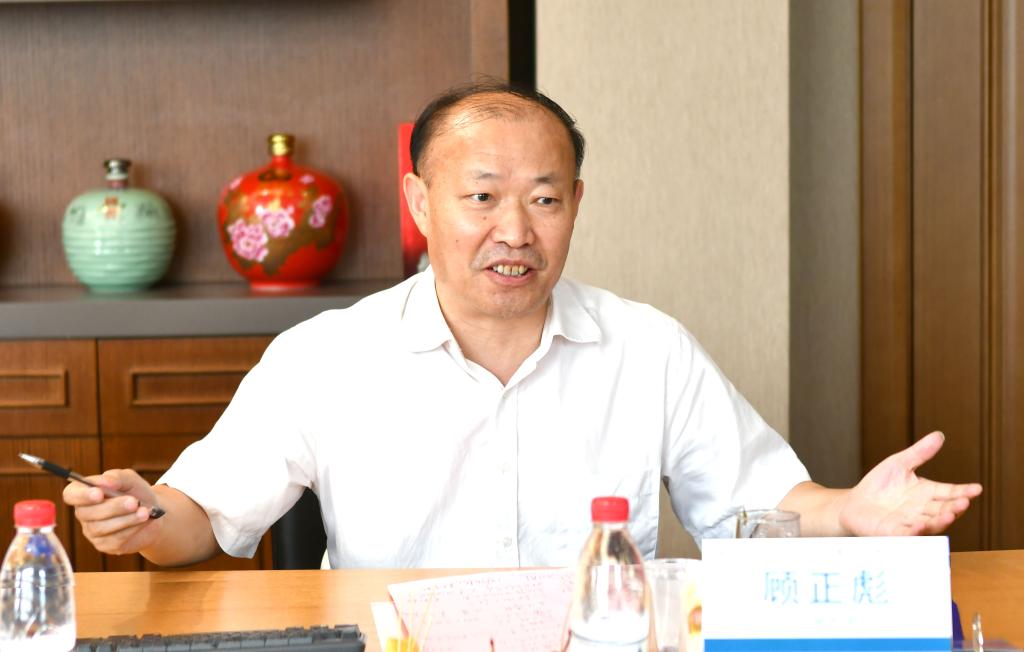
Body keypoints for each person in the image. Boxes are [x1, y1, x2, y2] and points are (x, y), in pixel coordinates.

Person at [63, 82, 982, 568]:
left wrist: (849, 512)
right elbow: (200, 519)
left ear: (577, 203)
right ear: (420, 203)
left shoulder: (649, 348)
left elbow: (756, 508)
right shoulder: (326, 356)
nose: (515, 231)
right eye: (481, 197)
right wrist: (141, 519)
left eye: (544, 198)